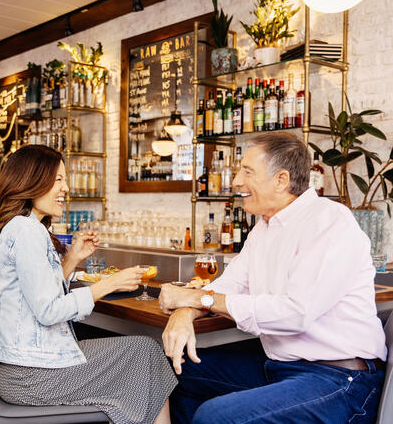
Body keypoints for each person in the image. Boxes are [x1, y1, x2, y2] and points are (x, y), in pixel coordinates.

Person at [158, 132, 387, 423]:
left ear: (281, 180)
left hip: (340, 378)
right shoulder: (264, 228)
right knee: (174, 370)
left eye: (247, 171)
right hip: (280, 365)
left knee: (215, 416)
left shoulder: (329, 221)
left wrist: (197, 298)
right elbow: (230, 284)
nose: (236, 181)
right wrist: (185, 313)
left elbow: (295, 313)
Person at [0, 145, 177, 424]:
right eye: (58, 179)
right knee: (146, 353)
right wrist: (108, 284)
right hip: (32, 375)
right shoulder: (27, 230)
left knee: (145, 354)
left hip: (25, 367)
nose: (66, 188)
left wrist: (72, 259)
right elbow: (48, 310)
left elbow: (38, 293)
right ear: (31, 180)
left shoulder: (22, 226)